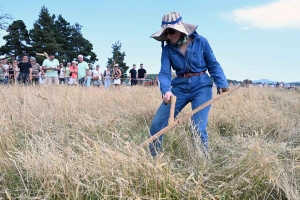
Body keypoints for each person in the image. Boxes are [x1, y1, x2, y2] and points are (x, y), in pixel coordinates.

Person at [148, 12, 229, 157]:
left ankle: (203, 163)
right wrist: (166, 91)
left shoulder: (201, 42)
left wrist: (222, 83)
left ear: (180, 29)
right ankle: (153, 160)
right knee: (156, 125)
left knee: (198, 127)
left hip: (201, 87)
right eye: (165, 33)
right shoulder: (167, 49)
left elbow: (213, 65)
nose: (168, 36)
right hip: (179, 88)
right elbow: (165, 73)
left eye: (171, 31)